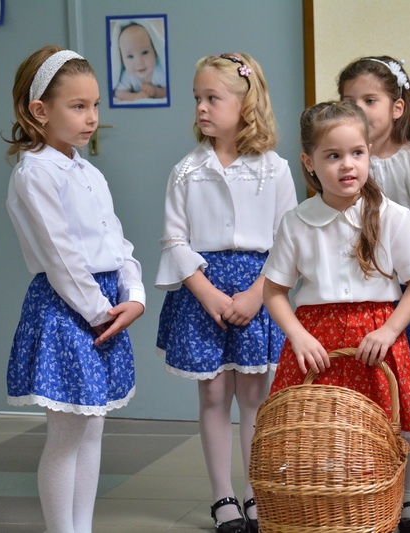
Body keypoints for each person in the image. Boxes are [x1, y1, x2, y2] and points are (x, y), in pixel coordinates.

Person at [262, 100, 410, 532]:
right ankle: (326, 500)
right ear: (309, 162)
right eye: (333, 156)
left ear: (369, 153)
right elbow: (275, 291)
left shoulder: (392, 216)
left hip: (376, 339)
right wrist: (298, 336)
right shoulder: (296, 222)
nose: (347, 165)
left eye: (357, 152)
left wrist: (390, 331)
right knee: (318, 427)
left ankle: (405, 497)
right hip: (317, 344)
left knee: (392, 421)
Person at [4, 45, 146, 533]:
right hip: (70, 308)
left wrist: (134, 294)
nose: (92, 118)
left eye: (95, 105)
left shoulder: (89, 172)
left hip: (105, 304)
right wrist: (101, 312)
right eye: (78, 106)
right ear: (40, 111)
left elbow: (118, 241)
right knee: (66, 434)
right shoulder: (35, 172)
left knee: (93, 428)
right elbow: (61, 257)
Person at [155, 52, 297, 533]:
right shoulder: (186, 171)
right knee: (214, 394)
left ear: (245, 103)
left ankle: (257, 491)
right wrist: (207, 293)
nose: (201, 107)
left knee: (254, 394)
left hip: (259, 289)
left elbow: (286, 241)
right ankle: (223, 496)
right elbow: (174, 240)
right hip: (204, 292)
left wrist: (258, 294)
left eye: (212, 98)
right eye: (197, 98)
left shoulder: (274, 169)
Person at [337, 55, 410, 531]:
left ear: (397, 107)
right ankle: (367, 486)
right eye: (349, 101)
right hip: (355, 297)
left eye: (370, 100)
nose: (358, 109)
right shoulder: (342, 158)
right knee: (362, 395)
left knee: (406, 396)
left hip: (405, 296)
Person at [112, 20, 167, 102]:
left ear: (155, 52)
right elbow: (118, 93)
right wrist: (134, 97)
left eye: (145, 52)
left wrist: (156, 92)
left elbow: (170, 91)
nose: (139, 62)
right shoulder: (128, 75)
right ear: (122, 60)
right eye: (130, 56)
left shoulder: (159, 71)